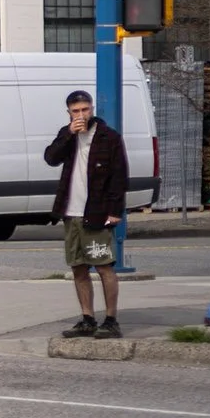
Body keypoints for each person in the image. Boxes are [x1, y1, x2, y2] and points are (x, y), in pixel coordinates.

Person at [44, 88, 129, 339]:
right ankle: (87, 318)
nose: (81, 114)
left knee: (104, 267)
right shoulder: (67, 135)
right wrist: (69, 135)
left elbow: (119, 176)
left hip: (97, 213)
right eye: (75, 111)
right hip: (71, 212)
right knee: (78, 268)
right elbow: (51, 157)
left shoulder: (108, 137)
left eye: (85, 109)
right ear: (69, 113)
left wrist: (115, 211)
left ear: (92, 109)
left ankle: (111, 319)